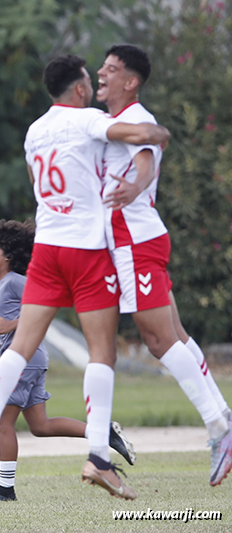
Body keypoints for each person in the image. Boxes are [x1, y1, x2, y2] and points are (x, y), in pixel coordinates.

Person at [0, 54, 170, 500]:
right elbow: (139, 134)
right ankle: (98, 457)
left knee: (21, 347)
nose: (94, 85)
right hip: (85, 249)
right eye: (90, 79)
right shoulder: (89, 120)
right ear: (79, 89)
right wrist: (158, 133)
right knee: (101, 352)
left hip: (47, 248)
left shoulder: (35, 130)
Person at [97, 44, 232, 486]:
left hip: (134, 240)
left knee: (157, 340)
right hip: (139, 238)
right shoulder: (112, 123)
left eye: (112, 69)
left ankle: (218, 426)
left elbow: (144, 161)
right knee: (176, 336)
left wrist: (135, 187)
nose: (102, 73)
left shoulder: (139, 120)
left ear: (131, 81)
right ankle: (223, 416)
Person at [0, 219, 136, 503]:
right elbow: (24, 325)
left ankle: (5, 491)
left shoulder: (15, 281)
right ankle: (102, 432)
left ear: (8, 255)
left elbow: (45, 310)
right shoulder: (4, 283)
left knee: (2, 424)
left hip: (27, 362)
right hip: (30, 359)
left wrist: (11, 326)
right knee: (40, 426)